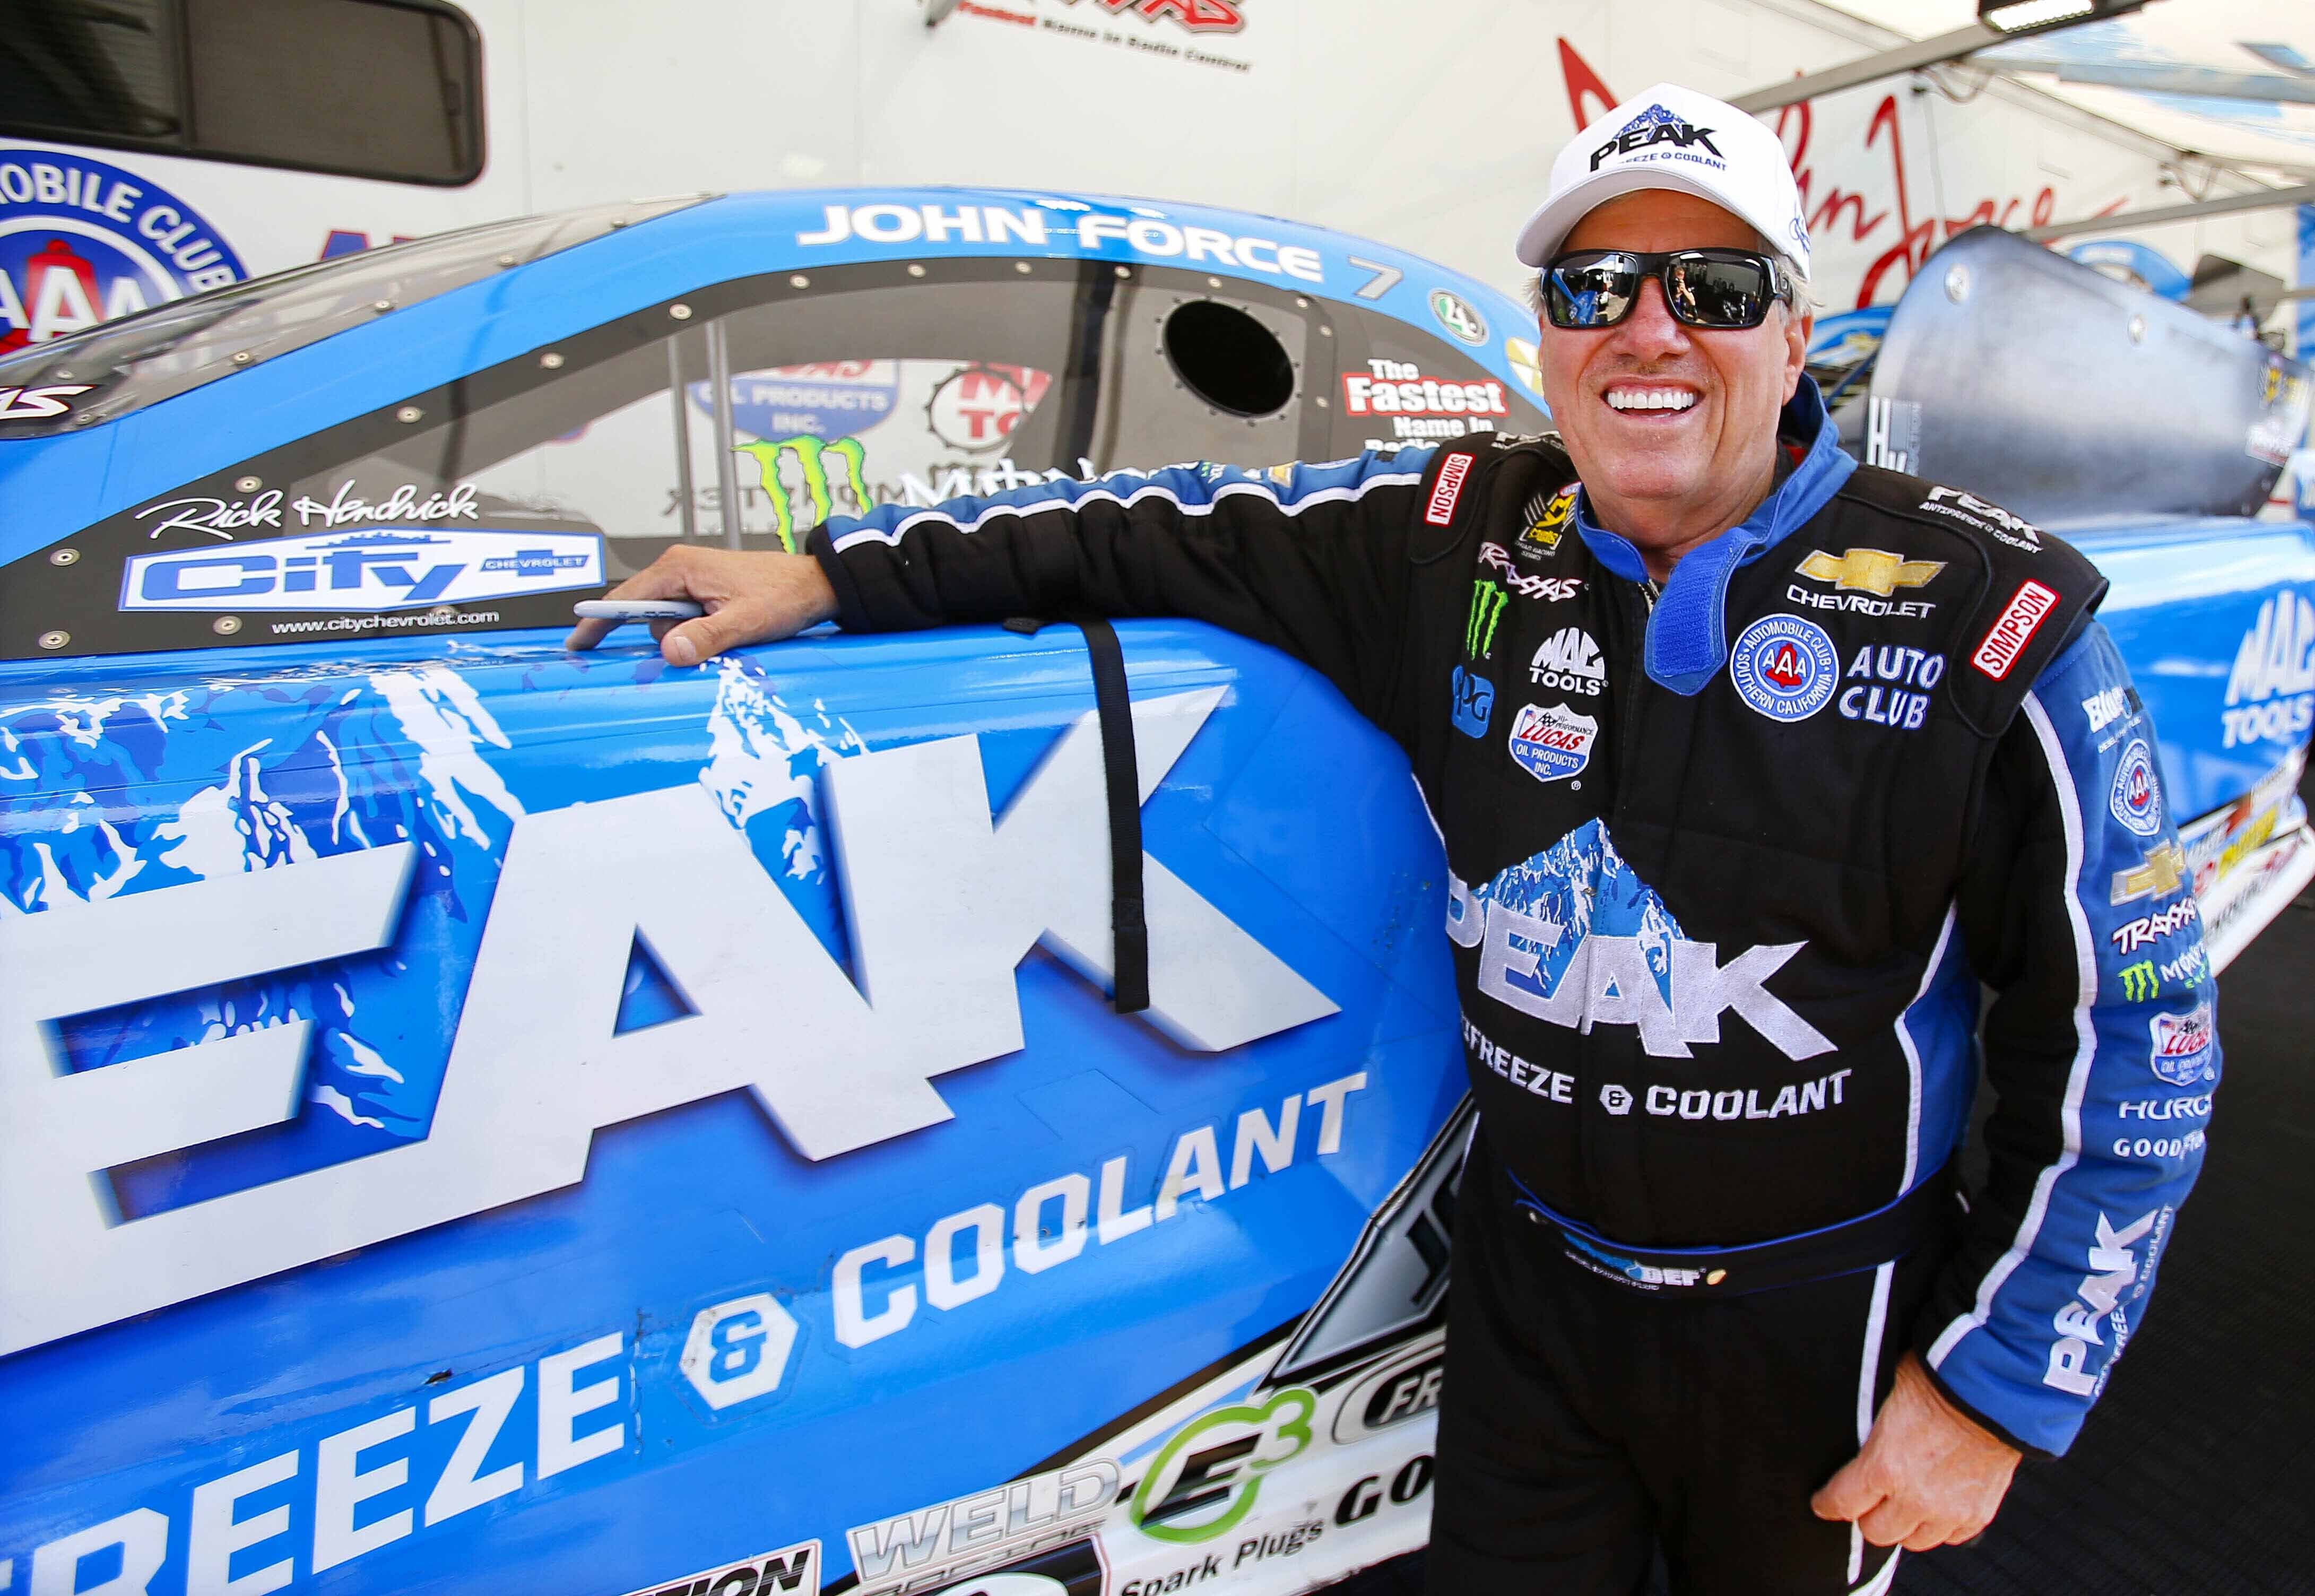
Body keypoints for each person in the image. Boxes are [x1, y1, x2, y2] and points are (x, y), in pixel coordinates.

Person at [569, 83, 2217, 1596]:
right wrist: (832, 571)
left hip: (1818, 1321)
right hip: (1530, 1296)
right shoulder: (1451, 528)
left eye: (1712, 289)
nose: (1648, 331)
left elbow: (2136, 1039)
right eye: (1593, 288)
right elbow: (1143, 527)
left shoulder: (1993, 612)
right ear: (1549, 336)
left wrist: (1995, 1391)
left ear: (1792, 337)